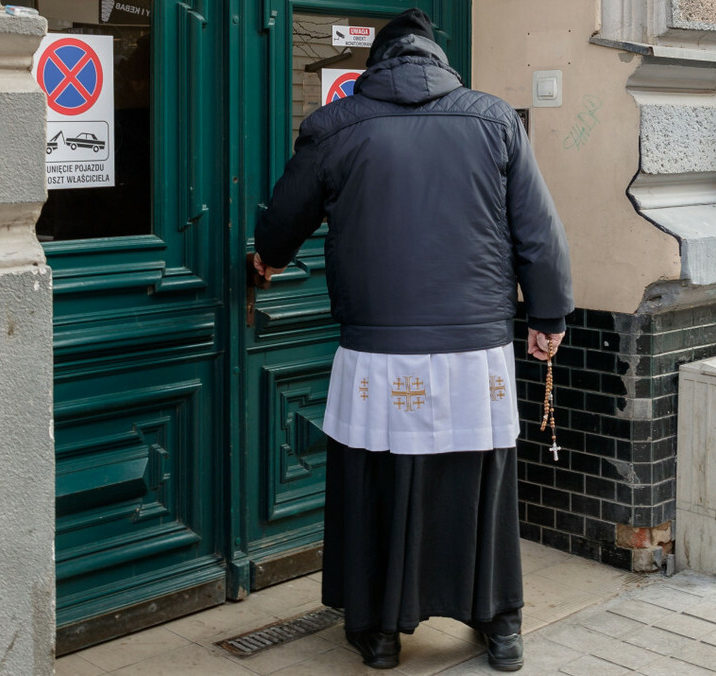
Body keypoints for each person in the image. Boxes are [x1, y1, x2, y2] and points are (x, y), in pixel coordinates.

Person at [252, 9, 572, 672]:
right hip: (474, 339)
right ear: (439, 59)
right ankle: (500, 624)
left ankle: (379, 631)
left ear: (378, 63)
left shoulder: (335, 124)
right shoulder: (494, 120)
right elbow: (538, 231)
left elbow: (286, 214)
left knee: (378, 478)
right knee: (481, 481)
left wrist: (269, 257)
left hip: (379, 340)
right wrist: (548, 318)